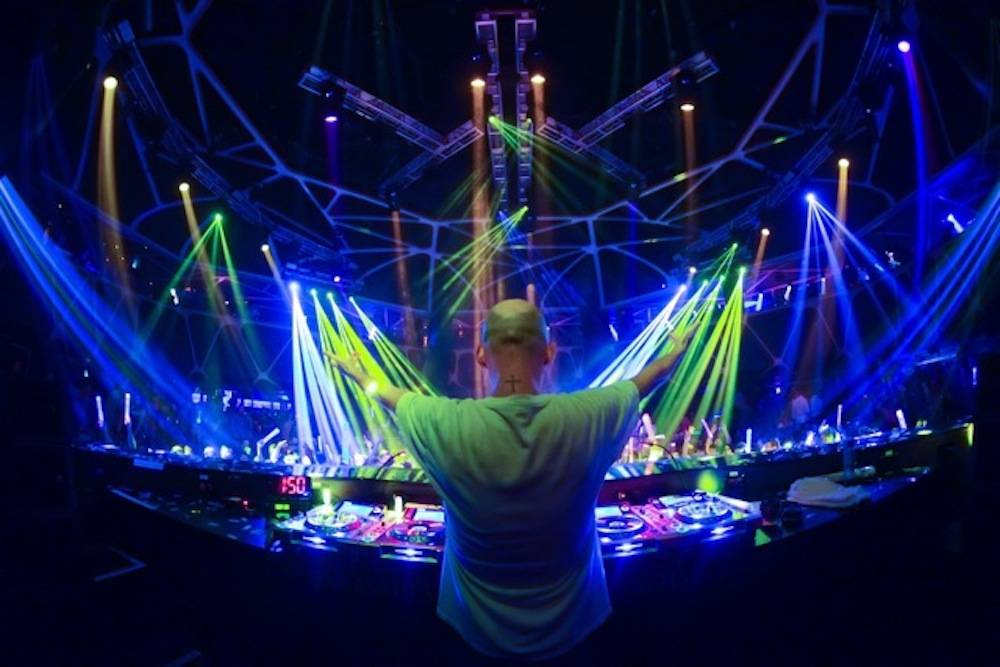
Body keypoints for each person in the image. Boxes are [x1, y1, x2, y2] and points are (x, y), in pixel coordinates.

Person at [328, 299, 690, 661]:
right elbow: (645, 381)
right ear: (549, 353)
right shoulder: (588, 416)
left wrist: (358, 374)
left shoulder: (445, 422)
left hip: (473, 633)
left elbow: (391, 398)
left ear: (480, 354)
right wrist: (674, 353)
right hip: (573, 631)